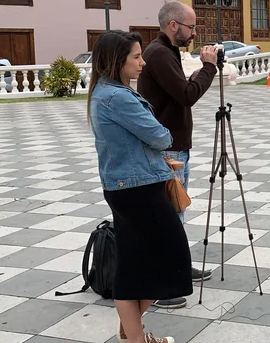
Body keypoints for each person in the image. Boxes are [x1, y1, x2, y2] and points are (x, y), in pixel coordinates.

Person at [88, 30, 192, 343]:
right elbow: (161, 137)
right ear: (117, 60)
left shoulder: (105, 92)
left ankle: (133, 333)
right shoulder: (116, 97)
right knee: (170, 258)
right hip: (138, 189)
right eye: (136, 56)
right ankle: (134, 334)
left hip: (128, 186)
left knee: (135, 263)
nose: (143, 62)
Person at [137, 1, 218, 309]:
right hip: (167, 149)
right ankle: (160, 283)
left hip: (175, 145)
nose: (194, 33)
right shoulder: (158, 54)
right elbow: (186, 95)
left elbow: (179, 92)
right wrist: (208, 68)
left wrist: (199, 71)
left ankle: (178, 268)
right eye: (190, 27)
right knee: (168, 216)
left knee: (176, 213)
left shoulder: (166, 53)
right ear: (173, 26)